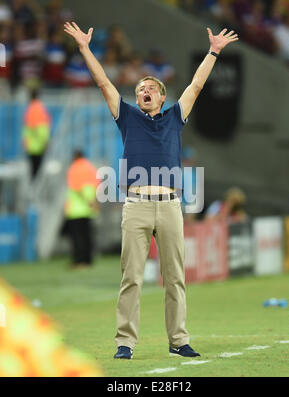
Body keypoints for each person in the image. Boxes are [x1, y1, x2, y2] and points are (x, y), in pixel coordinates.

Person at [64, 21, 238, 359]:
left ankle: (178, 341)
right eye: (140, 88)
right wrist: (85, 49)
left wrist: (214, 52)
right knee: (131, 278)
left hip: (170, 205)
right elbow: (102, 82)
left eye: (150, 88)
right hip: (137, 204)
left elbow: (197, 84)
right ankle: (125, 343)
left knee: (175, 278)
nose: (143, 91)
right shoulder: (126, 117)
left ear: (161, 95)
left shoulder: (175, 116)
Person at [64, 150, 99, 269]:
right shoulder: (89, 167)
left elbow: (81, 187)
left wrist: (90, 201)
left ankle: (80, 260)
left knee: (77, 238)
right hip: (86, 209)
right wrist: (93, 203)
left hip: (76, 210)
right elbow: (91, 186)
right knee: (87, 236)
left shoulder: (74, 168)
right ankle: (88, 260)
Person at [22, 88, 51, 178]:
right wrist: (46, 141)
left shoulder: (29, 109)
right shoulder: (40, 109)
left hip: (31, 145)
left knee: (33, 172)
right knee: (38, 173)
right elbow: (43, 128)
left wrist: (25, 143)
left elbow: (26, 129)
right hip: (39, 145)